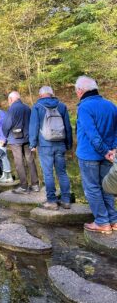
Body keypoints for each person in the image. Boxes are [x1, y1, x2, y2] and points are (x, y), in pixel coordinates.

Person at [75, 76, 117, 234]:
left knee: (92, 189)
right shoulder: (111, 105)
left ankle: (102, 222)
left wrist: (105, 151)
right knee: (107, 187)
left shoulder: (84, 107)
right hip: (109, 155)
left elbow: (92, 135)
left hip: (90, 156)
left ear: (80, 91)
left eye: (76, 91)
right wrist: (113, 149)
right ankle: (113, 220)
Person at [29, 86, 73, 210]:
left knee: (48, 173)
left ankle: (52, 201)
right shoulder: (62, 106)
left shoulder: (37, 107)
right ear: (52, 94)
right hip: (60, 144)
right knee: (62, 172)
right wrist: (69, 144)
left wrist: (32, 144)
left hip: (44, 145)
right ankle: (66, 200)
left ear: (40, 95)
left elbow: (34, 127)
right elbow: (68, 127)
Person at [3, 91, 39, 194]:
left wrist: (5, 136)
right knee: (30, 160)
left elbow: (6, 125)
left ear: (10, 99)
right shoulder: (27, 107)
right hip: (27, 138)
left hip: (15, 140)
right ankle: (35, 185)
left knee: (19, 163)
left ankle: (24, 187)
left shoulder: (12, 109)